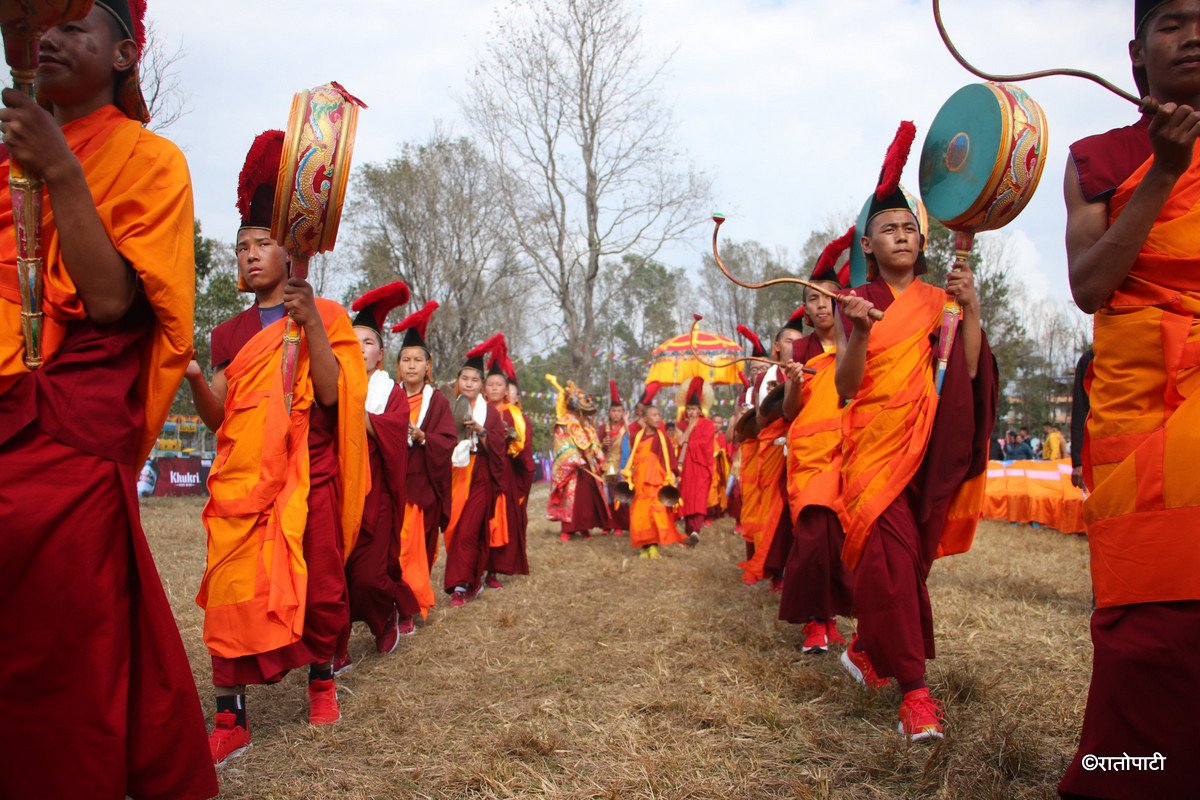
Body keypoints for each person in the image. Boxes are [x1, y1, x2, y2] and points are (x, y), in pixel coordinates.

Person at [0, 3, 218, 795]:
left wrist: (59, 171)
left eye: (72, 24)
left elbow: (113, 305)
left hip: (63, 430)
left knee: (61, 651)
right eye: (36, 23)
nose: (50, 38)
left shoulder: (149, 160)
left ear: (125, 52)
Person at [187, 130, 369, 762]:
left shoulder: (326, 314)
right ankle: (230, 715)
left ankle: (321, 682)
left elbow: (329, 395)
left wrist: (311, 322)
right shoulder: (228, 333)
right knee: (231, 591)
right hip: (240, 484)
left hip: (306, 473)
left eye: (263, 243)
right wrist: (190, 379)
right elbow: (219, 415)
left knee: (319, 584)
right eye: (241, 247)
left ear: (290, 251)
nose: (249, 256)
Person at [1059, 2, 1200, 795]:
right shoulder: (1101, 160)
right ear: (1137, 51)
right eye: (1175, 21)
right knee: (1148, 634)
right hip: (1144, 410)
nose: (1195, 36)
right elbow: (1089, 285)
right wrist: (1169, 174)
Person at [835, 121, 997, 741]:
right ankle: (916, 693)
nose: (901, 235)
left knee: (906, 566)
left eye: (909, 227)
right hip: (874, 452)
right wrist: (865, 332)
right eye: (888, 229)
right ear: (868, 245)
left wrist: (972, 309)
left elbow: (970, 370)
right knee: (891, 561)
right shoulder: (862, 299)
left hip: (926, 449)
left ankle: (870, 647)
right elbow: (848, 388)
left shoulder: (940, 299)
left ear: (921, 239)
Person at [778, 229, 855, 654]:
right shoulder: (802, 349)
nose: (821, 304)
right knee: (811, 538)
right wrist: (791, 383)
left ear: (840, 299)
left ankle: (831, 617)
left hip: (847, 455)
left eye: (827, 296)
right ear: (804, 309)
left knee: (839, 540)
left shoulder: (854, 343)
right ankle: (813, 621)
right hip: (808, 457)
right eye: (812, 299)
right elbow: (790, 412)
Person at [338, 281, 416, 668]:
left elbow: (392, 433)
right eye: (351, 340)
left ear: (380, 354)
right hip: (334, 489)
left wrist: (357, 413)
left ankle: (384, 618)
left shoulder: (390, 393)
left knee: (368, 576)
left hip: (375, 494)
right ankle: (333, 650)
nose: (359, 347)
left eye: (367, 341)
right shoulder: (329, 384)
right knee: (330, 576)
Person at [738, 313, 807, 590]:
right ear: (777, 345)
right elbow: (760, 420)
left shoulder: (808, 368)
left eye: (799, 342)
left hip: (803, 447)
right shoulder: (764, 378)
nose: (795, 346)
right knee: (773, 512)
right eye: (789, 341)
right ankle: (777, 571)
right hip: (772, 449)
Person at [391, 301, 456, 587]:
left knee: (415, 548)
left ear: (427, 365)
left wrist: (424, 437)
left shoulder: (438, 401)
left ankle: (412, 602)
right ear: (398, 365)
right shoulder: (388, 396)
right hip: (391, 484)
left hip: (422, 487)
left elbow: (448, 441)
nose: (412, 365)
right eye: (406, 360)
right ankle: (394, 603)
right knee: (392, 547)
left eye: (418, 360)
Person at [442, 335, 507, 606]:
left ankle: (461, 585)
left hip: (479, 475)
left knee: (468, 530)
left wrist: (480, 432)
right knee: (453, 531)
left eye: (474, 380)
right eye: (464, 378)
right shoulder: (444, 406)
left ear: (482, 385)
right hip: (453, 477)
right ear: (458, 381)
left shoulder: (490, 413)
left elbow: (499, 447)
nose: (468, 383)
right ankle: (473, 577)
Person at [481, 336, 530, 588]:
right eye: (490, 384)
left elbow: (522, 442)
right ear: (484, 387)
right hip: (480, 470)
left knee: (501, 518)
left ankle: (494, 569)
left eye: (499, 384)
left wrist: (509, 443)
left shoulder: (513, 414)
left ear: (505, 388)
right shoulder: (478, 410)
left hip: (506, 473)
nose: (495, 388)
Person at [546, 374, 611, 541]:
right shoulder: (564, 421)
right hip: (572, 467)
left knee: (587, 497)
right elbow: (562, 444)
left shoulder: (588, 425)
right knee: (571, 496)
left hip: (588, 466)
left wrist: (602, 460)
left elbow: (594, 443)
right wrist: (575, 459)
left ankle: (584, 527)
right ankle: (567, 529)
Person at [622, 404, 683, 558]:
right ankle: (644, 546)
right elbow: (633, 459)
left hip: (657, 481)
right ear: (644, 418)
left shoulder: (662, 438)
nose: (658, 418)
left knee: (656, 512)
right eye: (654, 415)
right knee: (640, 514)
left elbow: (669, 459)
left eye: (658, 415)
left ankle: (654, 546)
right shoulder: (636, 437)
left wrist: (673, 476)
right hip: (640, 482)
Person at [675, 377, 716, 545]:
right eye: (689, 409)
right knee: (687, 497)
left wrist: (689, 441)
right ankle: (690, 530)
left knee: (698, 498)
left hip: (702, 466)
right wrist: (690, 428)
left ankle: (695, 530)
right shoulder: (681, 425)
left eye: (694, 409)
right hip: (686, 467)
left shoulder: (708, 424)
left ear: (700, 410)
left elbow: (706, 444)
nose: (691, 412)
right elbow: (678, 442)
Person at [597, 381, 631, 534]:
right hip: (607, 466)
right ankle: (608, 524)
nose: (616, 414)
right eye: (614, 411)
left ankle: (620, 525)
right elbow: (595, 448)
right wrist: (603, 444)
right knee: (607, 497)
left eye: (619, 411)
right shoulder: (604, 428)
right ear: (609, 413)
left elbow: (634, 443)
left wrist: (628, 425)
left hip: (623, 466)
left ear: (623, 413)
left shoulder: (627, 428)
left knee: (621, 495)